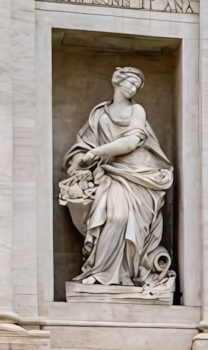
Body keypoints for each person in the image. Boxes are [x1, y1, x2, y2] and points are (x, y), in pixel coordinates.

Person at [59, 67, 174, 294]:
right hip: (111, 173)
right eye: (130, 82)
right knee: (115, 216)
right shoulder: (99, 114)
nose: (133, 88)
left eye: (136, 86)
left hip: (141, 176)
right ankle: (101, 272)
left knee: (128, 222)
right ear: (117, 83)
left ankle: (125, 274)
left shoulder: (137, 110)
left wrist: (97, 152)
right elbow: (84, 146)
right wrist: (81, 158)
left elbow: (132, 142)